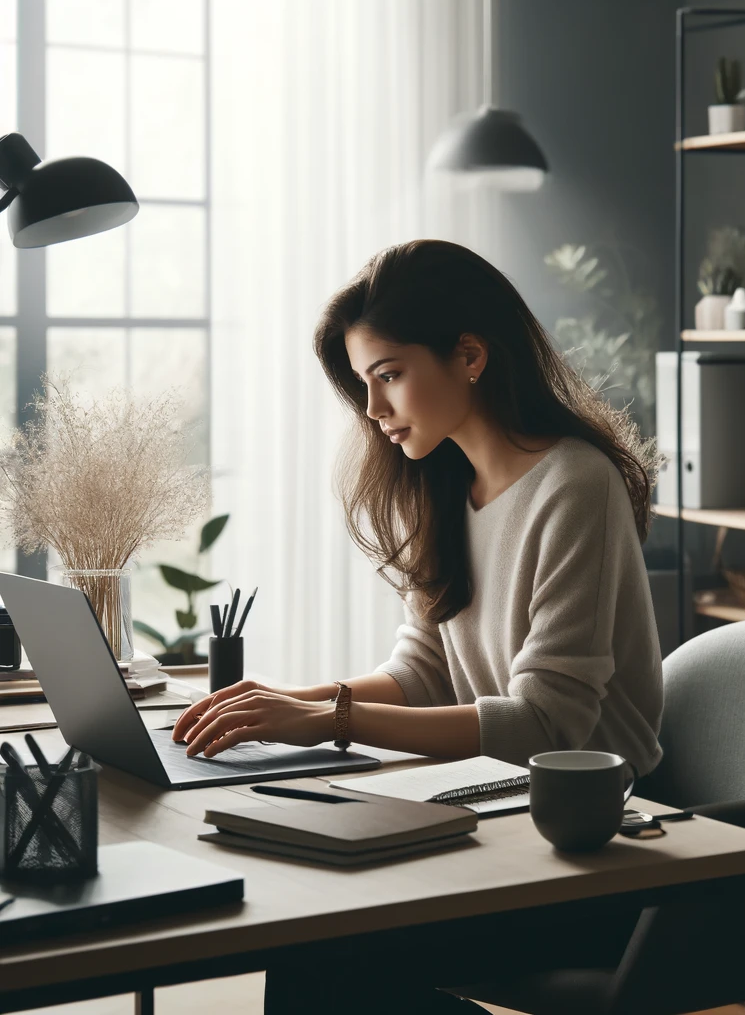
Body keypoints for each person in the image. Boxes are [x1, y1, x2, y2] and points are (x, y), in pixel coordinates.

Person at [171, 239, 665, 1013]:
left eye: (389, 376)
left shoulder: (575, 485)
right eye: (365, 385)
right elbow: (424, 673)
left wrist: (326, 718)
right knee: (311, 934)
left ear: (470, 356)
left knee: (326, 957)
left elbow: (550, 724)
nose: (373, 410)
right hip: (497, 816)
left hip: (597, 854)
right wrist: (283, 702)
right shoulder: (444, 487)